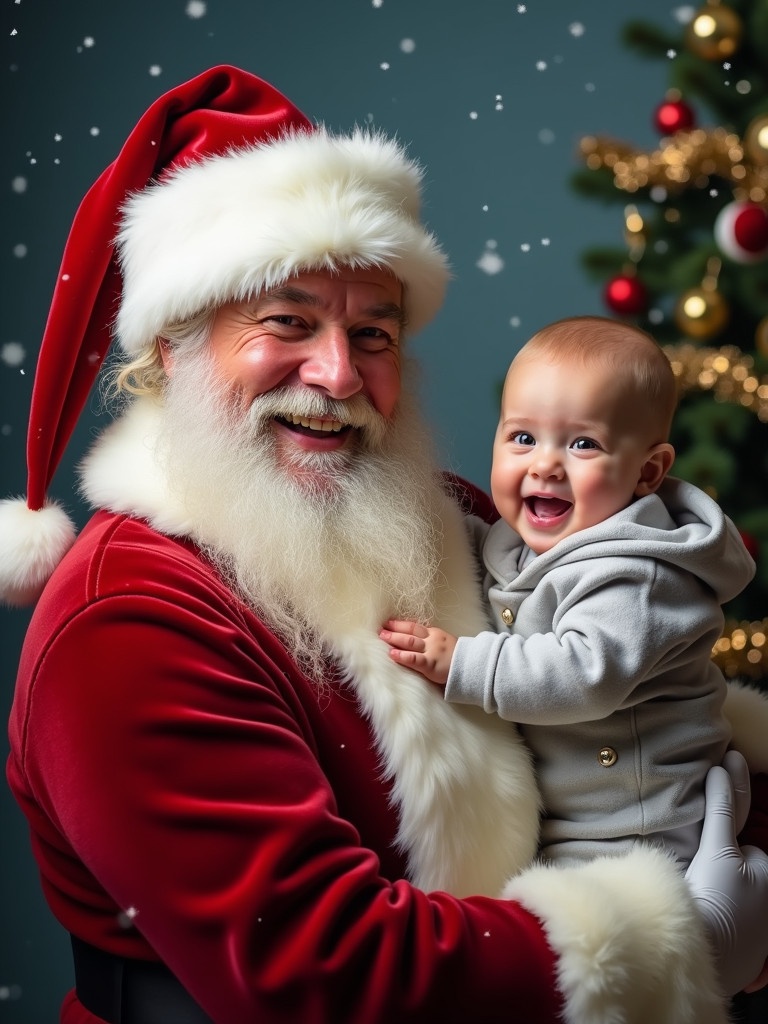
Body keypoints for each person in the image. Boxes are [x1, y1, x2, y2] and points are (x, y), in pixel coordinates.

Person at [1, 65, 768, 1024]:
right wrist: (674, 943)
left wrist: (748, 844)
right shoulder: (127, 623)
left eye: (374, 333)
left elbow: (649, 706)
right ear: (173, 344)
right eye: (286, 322)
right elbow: (332, 971)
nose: (337, 373)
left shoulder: (448, 516)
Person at [380, 317, 755, 868]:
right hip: (567, 815)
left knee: (589, 936)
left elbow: (585, 673)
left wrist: (464, 662)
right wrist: (433, 522)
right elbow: (495, 569)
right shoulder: (523, 541)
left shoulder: (638, 575)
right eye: (523, 437)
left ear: (647, 472)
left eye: (583, 443)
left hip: (638, 822)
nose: (546, 464)